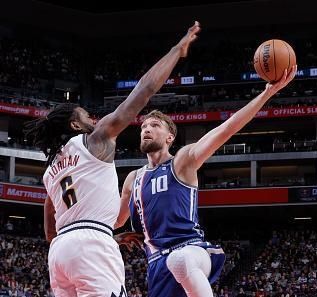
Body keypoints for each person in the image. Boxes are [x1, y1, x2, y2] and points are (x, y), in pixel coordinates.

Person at [23, 21, 201, 297]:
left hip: (60, 253)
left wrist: (101, 237)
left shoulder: (51, 169)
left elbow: (49, 227)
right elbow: (143, 91)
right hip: (90, 245)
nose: (91, 119)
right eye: (85, 116)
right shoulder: (95, 140)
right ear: (74, 125)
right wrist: (177, 50)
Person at [115, 65, 297, 297]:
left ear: (170, 137)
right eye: (143, 126)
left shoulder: (182, 160)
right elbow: (116, 220)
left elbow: (226, 129)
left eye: (154, 125)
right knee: (173, 264)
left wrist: (267, 93)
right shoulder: (133, 179)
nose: (146, 129)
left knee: (180, 260)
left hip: (191, 250)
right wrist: (114, 237)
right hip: (156, 264)